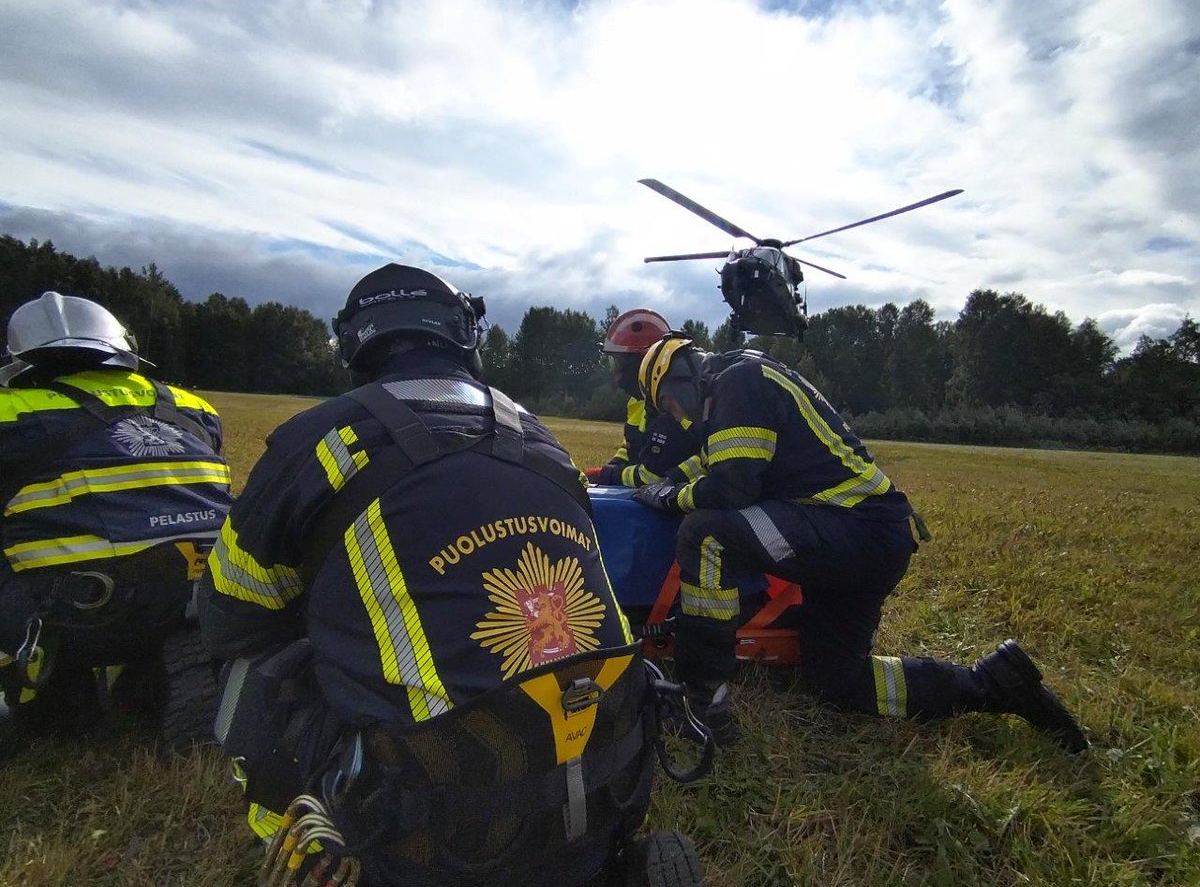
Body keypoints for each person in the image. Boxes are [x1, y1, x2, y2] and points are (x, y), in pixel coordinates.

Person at [199, 264, 702, 887]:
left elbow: (232, 608)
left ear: (354, 344)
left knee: (252, 669)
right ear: (468, 338)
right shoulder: (543, 441)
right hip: (602, 787)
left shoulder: (318, 441)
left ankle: (312, 852)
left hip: (435, 838)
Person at [631, 335, 1089, 753]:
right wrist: (664, 482)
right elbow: (716, 461)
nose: (680, 417)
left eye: (671, 404)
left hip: (850, 528)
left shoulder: (738, 382)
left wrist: (672, 498)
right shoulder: (744, 381)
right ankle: (989, 685)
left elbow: (732, 489)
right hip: (870, 539)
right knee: (838, 681)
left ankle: (703, 700)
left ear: (681, 376)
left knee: (706, 533)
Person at [0, 292, 232, 756]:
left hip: (81, 605)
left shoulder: (13, 411)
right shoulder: (192, 407)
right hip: (207, 594)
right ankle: (166, 669)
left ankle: (54, 682)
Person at [593, 310, 703, 487]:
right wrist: (615, 465)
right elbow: (630, 447)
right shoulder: (637, 402)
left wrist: (607, 475)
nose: (617, 378)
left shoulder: (673, 407)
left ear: (645, 362)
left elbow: (652, 477)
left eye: (619, 365)